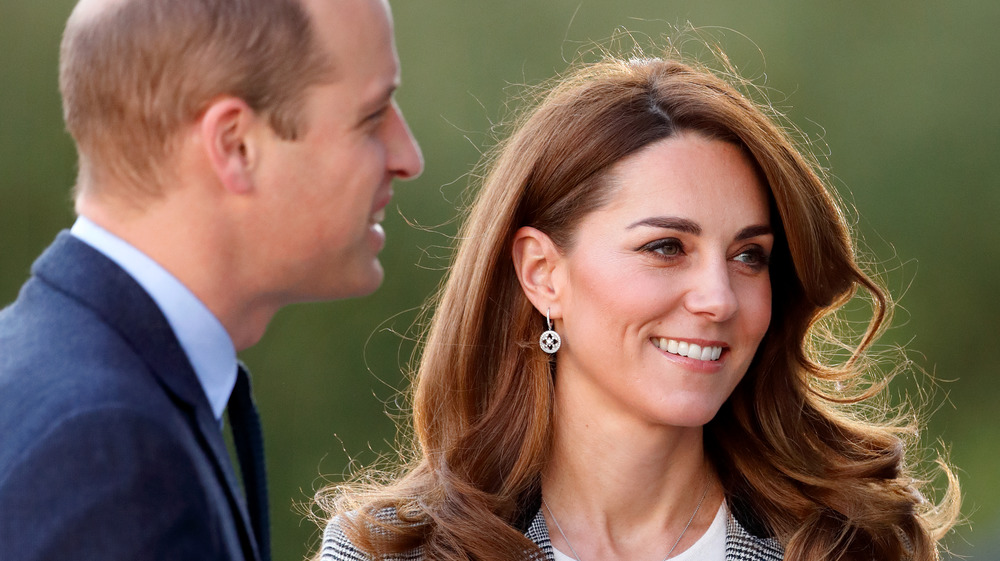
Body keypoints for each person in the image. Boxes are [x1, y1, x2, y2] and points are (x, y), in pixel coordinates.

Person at [314, 49, 960, 561]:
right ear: (543, 273)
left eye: (749, 255)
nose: (717, 298)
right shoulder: (385, 554)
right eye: (665, 247)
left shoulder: (852, 545)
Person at [0, 0, 422, 559]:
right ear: (235, 145)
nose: (407, 156)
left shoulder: (62, 382)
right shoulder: (109, 453)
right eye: (372, 116)